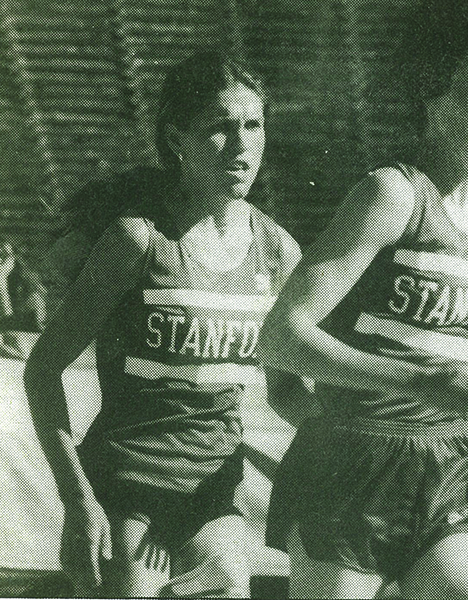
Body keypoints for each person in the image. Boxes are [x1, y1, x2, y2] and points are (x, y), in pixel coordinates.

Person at [24, 49, 301, 598]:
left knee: (225, 579)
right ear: (177, 140)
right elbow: (41, 372)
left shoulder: (277, 251)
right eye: (220, 128)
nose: (242, 145)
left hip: (214, 492)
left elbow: (288, 387)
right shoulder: (138, 241)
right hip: (124, 487)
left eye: (253, 125)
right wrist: (78, 504)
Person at [258, 2, 468, 598]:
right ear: (434, 94)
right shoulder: (393, 194)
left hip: (450, 462)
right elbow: (282, 336)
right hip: (353, 464)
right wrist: (418, 383)